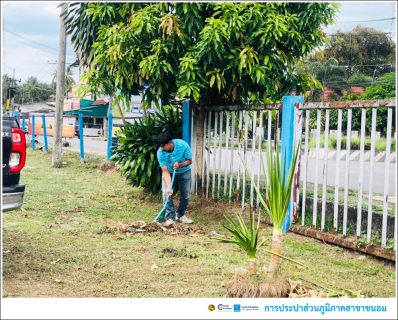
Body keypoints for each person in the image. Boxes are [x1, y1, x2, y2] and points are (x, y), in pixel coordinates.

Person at [156, 131, 194, 226]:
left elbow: (190, 161)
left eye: (163, 146)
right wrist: (169, 187)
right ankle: (170, 218)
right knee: (166, 193)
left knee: (186, 196)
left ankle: (180, 215)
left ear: (170, 143)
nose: (161, 148)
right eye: (160, 146)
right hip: (169, 172)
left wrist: (180, 165)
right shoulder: (160, 152)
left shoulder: (183, 145)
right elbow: (164, 171)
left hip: (184, 171)